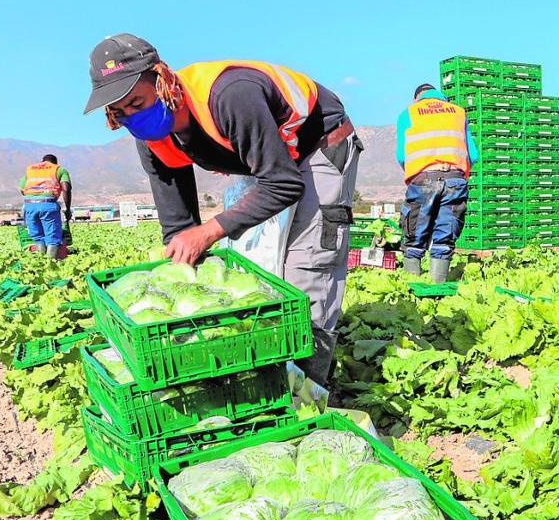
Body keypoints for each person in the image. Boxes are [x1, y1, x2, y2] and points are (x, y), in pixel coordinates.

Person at [82, 34, 360, 384]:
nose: (132, 119)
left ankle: (309, 388)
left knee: (305, 268)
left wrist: (211, 230)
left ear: (162, 79)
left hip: (317, 147)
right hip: (266, 164)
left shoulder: (231, 96)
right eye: (120, 113)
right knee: (259, 274)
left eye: (137, 102)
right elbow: (178, 226)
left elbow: (285, 183)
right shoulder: (151, 138)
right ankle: (261, 373)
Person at [396, 83, 478, 283]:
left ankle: (411, 292)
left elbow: (401, 155)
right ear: (441, 97)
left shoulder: (409, 113)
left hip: (423, 178)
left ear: (417, 98)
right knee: (445, 235)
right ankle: (438, 287)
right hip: (455, 179)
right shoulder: (458, 112)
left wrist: (417, 173)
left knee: (414, 236)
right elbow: (473, 155)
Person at [19, 154, 72, 258]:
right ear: (55, 163)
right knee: (53, 236)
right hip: (47, 204)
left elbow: (22, 189)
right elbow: (66, 188)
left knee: (38, 236)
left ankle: (41, 262)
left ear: (42, 162)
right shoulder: (58, 169)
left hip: (29, 205)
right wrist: (68, 209)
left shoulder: (30, 169)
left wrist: (34, 197)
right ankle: (50, 264)